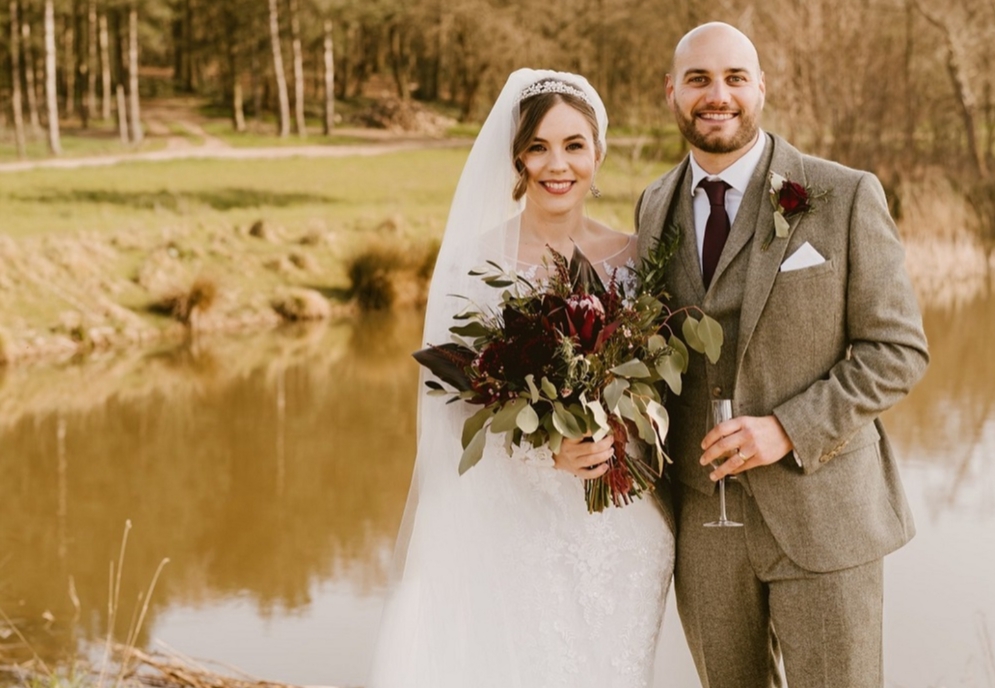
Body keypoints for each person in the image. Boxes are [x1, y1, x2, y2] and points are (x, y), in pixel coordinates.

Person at [634, 23, 930, 688]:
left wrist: (787, 428)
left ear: (760, 87)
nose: (718, 94)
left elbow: (898, 350)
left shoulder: (844, 195)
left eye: (735, 77)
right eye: (699, 79)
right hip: (704, 527)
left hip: (825, 514)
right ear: (672, 91)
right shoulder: (653, 205)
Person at [368, 69, 672, 688]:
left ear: (598, 153)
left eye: (573, 145)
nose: (556, 165)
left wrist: (627, 421)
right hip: (517, 532)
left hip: (623, 531)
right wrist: (544, 452)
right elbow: (451, 407)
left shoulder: (635, 256)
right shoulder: (477, 265)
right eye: (538, 147)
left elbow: (660, 386)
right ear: (516, 158)